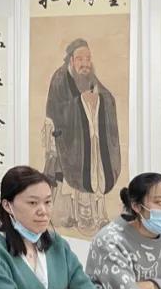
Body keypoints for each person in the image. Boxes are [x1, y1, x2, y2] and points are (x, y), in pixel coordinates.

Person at [43, 38, 121, 234]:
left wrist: (99, 100)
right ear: (71, 60)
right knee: (75, 176)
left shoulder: (89, 76)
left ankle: (97, 215)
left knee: (96, 166)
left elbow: (107, 97)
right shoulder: (60, 78)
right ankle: (77, 216)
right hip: (66, 140)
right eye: (80, 59)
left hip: (88, 139)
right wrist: (79, 103)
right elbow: (55, 111)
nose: (85, 63)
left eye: (88, 58)